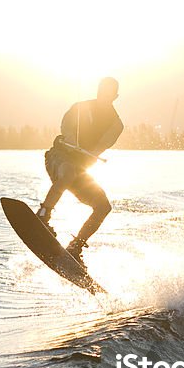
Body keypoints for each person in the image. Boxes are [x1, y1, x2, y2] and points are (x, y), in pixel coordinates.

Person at [36, 76, 124, 266]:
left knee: (103, 207)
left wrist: (91, 153)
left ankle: (75, 247)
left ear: (115, 96)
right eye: (101, 90)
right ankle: (43, 214)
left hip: (80, 168)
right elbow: (67, 126)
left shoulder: (116, 125)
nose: (103, 95)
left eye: (107, 93)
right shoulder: (80, 107)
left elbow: (100, 146)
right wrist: (70, 138)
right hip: (58, 158)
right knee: (68, 173)